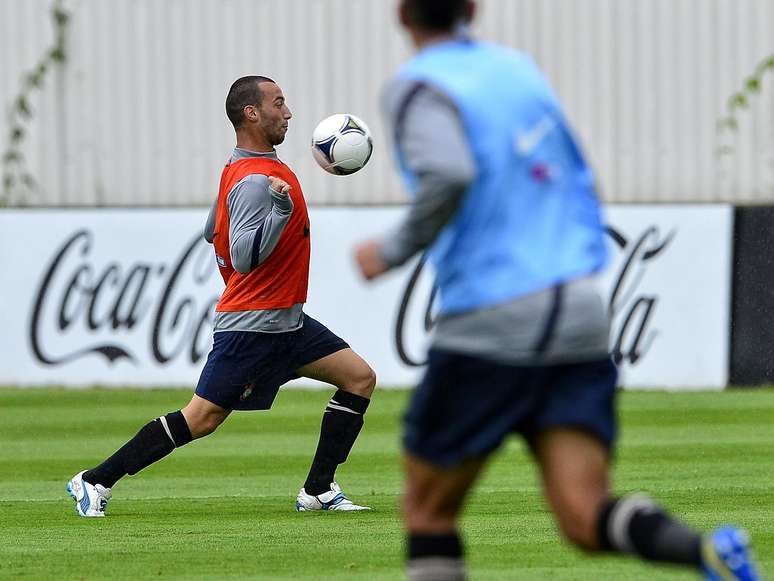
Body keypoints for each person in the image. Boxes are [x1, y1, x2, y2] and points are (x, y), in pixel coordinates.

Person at [354, 1, 761, 579]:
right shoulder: (517, 70)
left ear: (401, 15)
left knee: (427, 508)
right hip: (576, 308)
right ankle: (705, 553)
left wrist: (391, 249)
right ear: (472, 8)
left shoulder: (419, 86)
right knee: (583, 513)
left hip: (493, 318)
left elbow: (449, 173)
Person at [68, 76, 376, 517]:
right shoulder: (253, 179)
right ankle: (94, 480)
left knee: (359, 378)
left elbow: (212, 231)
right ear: (252, 113)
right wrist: (280, 215)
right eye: (279, 103)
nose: (288, 113)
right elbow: (248, 257)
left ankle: (319, 490)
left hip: (287, 321)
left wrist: (234, 260)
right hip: (253, 328)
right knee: (200, 419)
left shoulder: (240, 167)